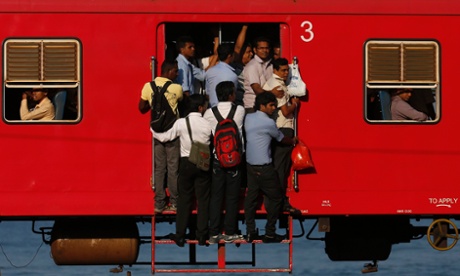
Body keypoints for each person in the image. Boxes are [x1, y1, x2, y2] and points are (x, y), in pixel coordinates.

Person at [153, 94, 212, 247]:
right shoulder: (207, 123)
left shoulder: (182, 122)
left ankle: (179, 235)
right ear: (200, 108)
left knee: (184, 200)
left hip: (186, 162)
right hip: (203, 162)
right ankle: (201, 235)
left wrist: (152, 131)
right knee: (203, 201)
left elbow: (166, 137)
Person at [244, 92, 297, 243]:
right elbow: (281, 139)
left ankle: (250, 231)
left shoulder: (248, 118)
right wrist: (293, 140)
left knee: (251, 199)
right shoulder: (268, 123)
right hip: (265, 167)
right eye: (271, 105)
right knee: (276, 198)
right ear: (262, 106)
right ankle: (270, 232)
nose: (274, 108)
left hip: (250, 166)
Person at [139, 60, 183, 214]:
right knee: (173, 169)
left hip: (157, 134)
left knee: (159, 170)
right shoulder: (176, 88)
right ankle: (175, 203)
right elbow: (182, 103)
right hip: (173, 134)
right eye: (176, 71)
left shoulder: (148, 86)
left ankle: (159, 203)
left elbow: (141, 108)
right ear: (169, 70)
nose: (177, 74)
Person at [203, 81, 245, 244]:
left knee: (216, 196)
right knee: (232, 197)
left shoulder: (209, 113)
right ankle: (229, 231)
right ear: (230, 95)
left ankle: (213, 232)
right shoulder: (239, 111)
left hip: (217, 159)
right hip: (235, 160)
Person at [263, 58, 301, 215]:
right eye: (283, 70)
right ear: (275, 70)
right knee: (281, 168)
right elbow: (286, 111)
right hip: (283, 128)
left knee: (278, 167)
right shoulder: (278, 86)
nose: (286, 73)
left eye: (287, 70)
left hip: (274, 128)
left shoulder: (270, 83)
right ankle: (279, 201)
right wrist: (295, 104)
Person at [242, 37, 283, 113]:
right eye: (261, 48)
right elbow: (257, 89)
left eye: (267, 48)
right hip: (253, 107)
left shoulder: (270, 65)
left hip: (267, 107)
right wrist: (273, 93)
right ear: (255, 50)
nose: (264, 50)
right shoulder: (252, 66)